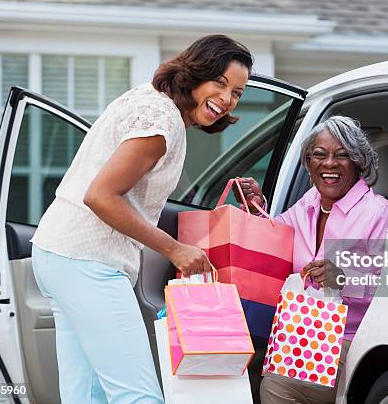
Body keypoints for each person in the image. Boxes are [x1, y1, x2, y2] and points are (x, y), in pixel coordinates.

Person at [30, 35, 252, 403]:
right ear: (195, 74)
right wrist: (174, 249)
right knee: (138, 396)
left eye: (238, 93)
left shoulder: (152, 102)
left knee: (86, 395)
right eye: (220, 83)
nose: (227, 99)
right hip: (87, 260)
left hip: (60, 253)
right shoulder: (160, 123)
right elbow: (100, 196)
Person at [235, 116, 388, 404]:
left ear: (358, 162)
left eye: (342, 155)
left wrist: (342, 279)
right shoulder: (309, 204)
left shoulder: (377, 213)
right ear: (309, 164)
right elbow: (274, 238)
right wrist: (258, 206)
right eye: (319, 155)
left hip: (351, 341)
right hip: (299, 333)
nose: (329, 164)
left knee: (276, 385)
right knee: (233, 363)